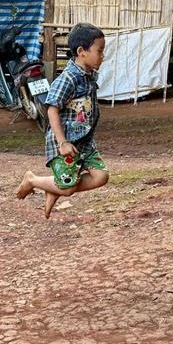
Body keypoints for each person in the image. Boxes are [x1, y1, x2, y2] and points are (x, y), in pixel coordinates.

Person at [16, 23, 108, 219]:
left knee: (101, 177)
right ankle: (33, 180)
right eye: (99, 51)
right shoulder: (68, 78)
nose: (102, 56)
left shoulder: (88, 76)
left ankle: (55, 188)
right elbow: (52, 109)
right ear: (81, 51)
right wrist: (62, 142)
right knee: (67, 189)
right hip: (65, 143)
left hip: (84, 142)